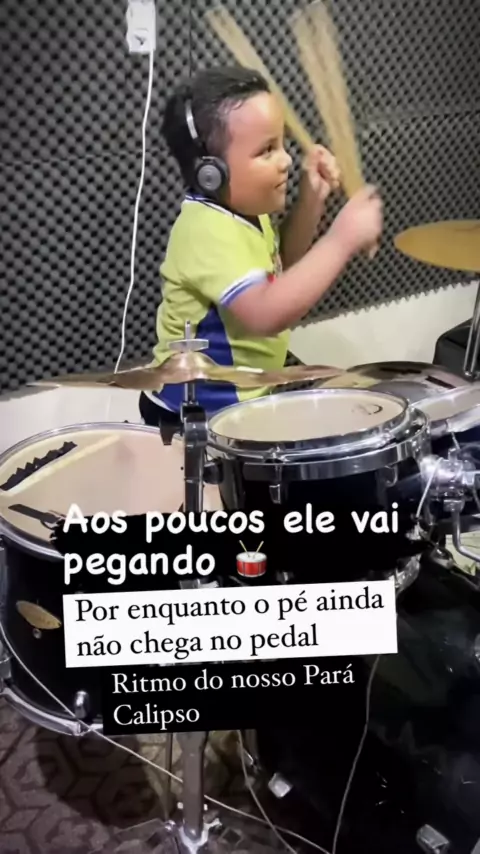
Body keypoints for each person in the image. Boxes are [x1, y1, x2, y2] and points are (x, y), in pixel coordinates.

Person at [139, 65, 383, 440]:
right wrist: (341, 239)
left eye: (282, 144)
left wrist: (312, 200)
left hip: (243, 400)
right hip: (192, 418)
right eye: (267, 150)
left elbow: (282, 264)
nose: (286, 160)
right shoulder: (207, 230)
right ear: (211, 172)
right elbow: (265, 313)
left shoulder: (248, 212)